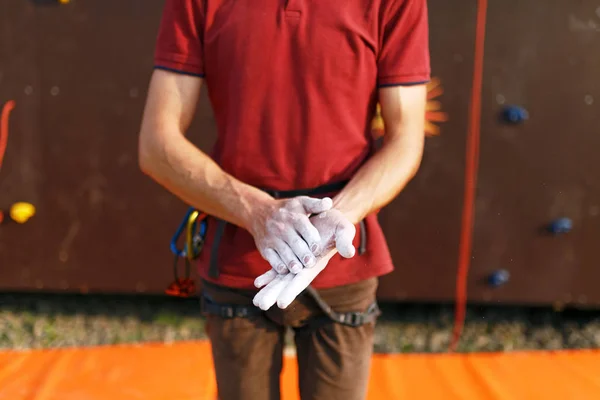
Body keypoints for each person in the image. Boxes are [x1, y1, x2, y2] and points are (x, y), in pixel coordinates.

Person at [138, 0, 430, 398]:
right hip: (239, 254)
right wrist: (257, 212)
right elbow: (156, 143)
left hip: (341, 252)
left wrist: (340, 217)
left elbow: (406, 139)